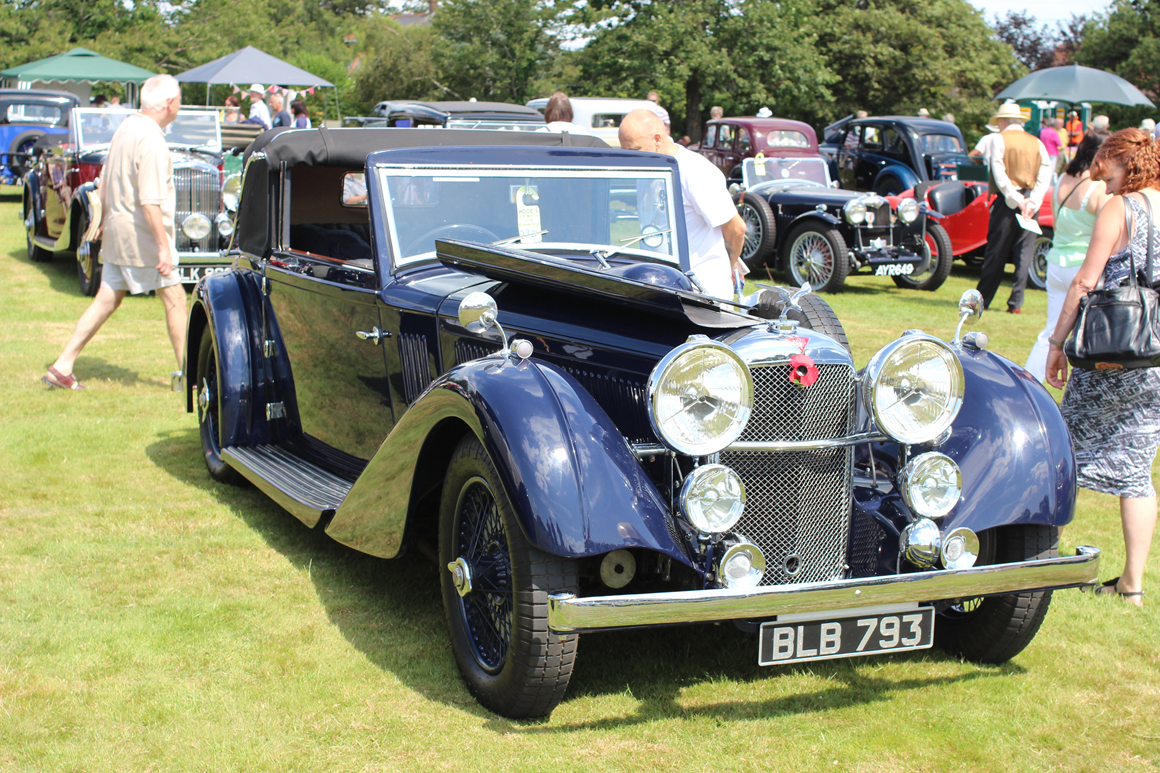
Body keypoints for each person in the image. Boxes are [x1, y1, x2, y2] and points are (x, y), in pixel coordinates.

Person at [1045, 128, 1160, 607]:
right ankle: (1132, 585)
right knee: (1138, 470)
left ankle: (1038, 559)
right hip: (1156, 355)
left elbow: (1084, 283)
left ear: (1123, 163)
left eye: (1106, 168)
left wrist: (1057, 342)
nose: (1102, 180)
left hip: (1114, 352)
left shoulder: (1122, 207)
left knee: (1062, 449)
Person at [41, 74, 187, 392]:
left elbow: (104, 181)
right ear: (169, 103)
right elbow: (149, 200)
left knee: (107, 299)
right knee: (176, 297)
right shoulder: (151, 139)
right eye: (179, 99)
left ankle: (61, 367)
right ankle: (189, 377)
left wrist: (105, 220)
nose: (180, 104)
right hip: (143, 236)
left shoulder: (126, 128)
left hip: (119, 233)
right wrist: (163, 248)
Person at [618, 109, 746, 299]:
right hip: (662, 288)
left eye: (634, 150)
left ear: (657, 140)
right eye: (625, 151)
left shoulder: (694, 170)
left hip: (702, 294)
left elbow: (736, 229)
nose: (629, 158)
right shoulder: (647, 168)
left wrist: (728, 266)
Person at [1024, 130, 1111, 382]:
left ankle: (1029, 383)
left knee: (1051, 331)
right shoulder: (1098, 188)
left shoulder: (1064, 177)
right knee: (1092, 334)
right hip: (1084, 268)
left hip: (1056, 263)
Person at [976, 101, 1052, 314]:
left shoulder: (998, 139)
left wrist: (1017, 200)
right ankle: (1015, 303)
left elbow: (999, 174)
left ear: (1002, 121)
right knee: (1024, 253)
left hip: (1008, 200)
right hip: (1030, 201)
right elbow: (1044, 174)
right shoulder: (1036, 142)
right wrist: (1033, 201)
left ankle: (983, 300)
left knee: (996, 251)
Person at [1040, 116, 1064, 180]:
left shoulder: (1043, 131)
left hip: (1045, 150)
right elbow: (1059, 143)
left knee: (1044, 166)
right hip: (1053, 152)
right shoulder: (1053, 132)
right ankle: (1049, 180)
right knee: (1052, 167)